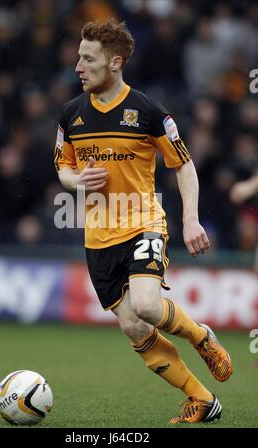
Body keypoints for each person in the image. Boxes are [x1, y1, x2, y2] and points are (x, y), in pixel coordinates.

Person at [54, 18, 232, 424]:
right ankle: (202, 400)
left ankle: (201, 336)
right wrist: (76, 181)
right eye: (78, 57)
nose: (77, 66)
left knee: (148, 306)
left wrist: (191, 220)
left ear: (115, 62)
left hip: (142, 221)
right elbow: (63, 168)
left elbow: (184, 166)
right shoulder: (71, 115)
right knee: (134, 327)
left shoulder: (148, 111)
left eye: (87, 58)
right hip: (98, 236)